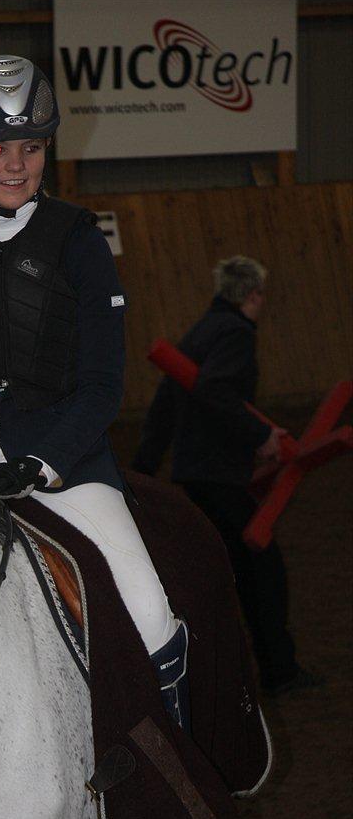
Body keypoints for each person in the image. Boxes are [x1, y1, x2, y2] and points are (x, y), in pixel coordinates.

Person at [0, 54, 190, 728]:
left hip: (68, 465)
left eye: (30, 147)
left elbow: (102, 387)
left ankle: (171, 784)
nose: (16, 164)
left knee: (148, 610)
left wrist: (43, 463)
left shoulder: (82, 245)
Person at [132, 255, 319, 695]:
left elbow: (167, 400)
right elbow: (215, 391)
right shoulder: (235, 332)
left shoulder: (202, 330)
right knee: (263, 569)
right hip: (217, 472)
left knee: (224, 571)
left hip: (196, 474)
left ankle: (228, 676)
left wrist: (142, 467)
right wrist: (261, 435)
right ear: (254, 295)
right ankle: (280, 671)